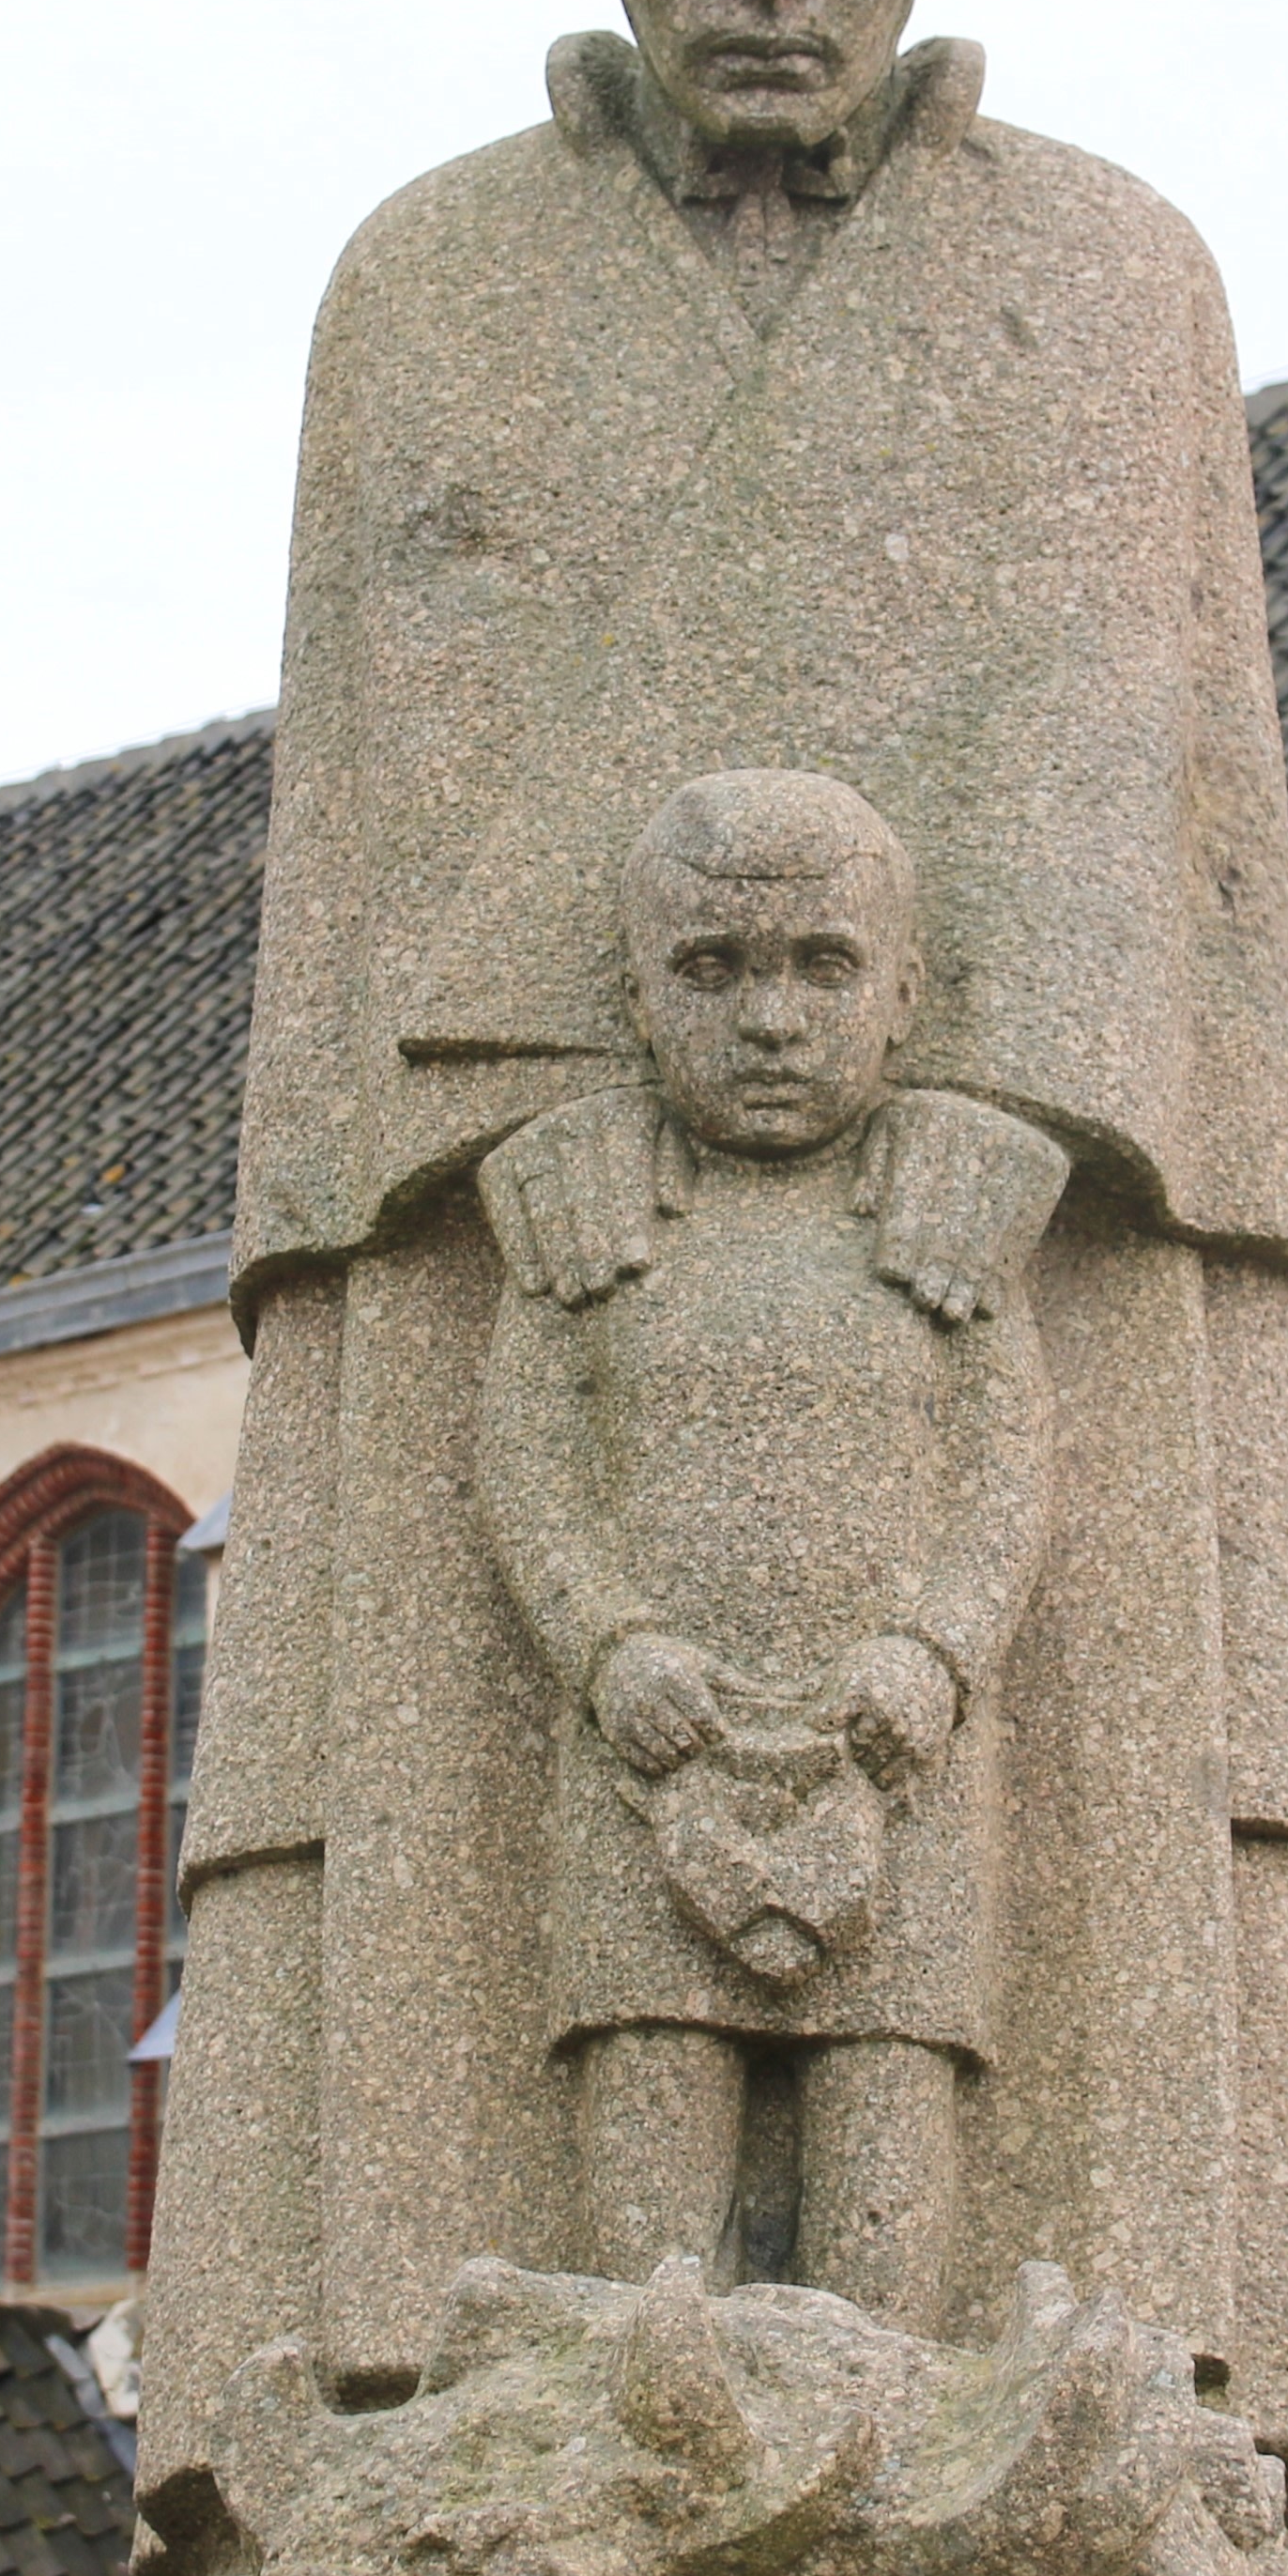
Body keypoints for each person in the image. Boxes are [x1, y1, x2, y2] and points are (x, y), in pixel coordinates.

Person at [140, 0, 1288, 2576]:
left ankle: (1110, 2399)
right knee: (520, 1894)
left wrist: (1023, 1093)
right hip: (551, 1206)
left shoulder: (1106, 269)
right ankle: (442, 2393)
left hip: (1010, 1201)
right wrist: (476, 1124)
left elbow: (1140, 726)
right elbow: (388, 761)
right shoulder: (426, 279)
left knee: (1032, 1866)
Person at [473, 772, 1064, 2331]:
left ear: (904, 990)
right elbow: (524, 1460)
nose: (773, 1022)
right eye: (714, 971)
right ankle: (647, 2429)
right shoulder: (594, 1225)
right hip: (650, 1750)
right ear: (639, 994)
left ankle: (878, 2435)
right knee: (650, 2090)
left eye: (823, 966)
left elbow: (1009, 1463)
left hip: (897, 1754)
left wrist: (930, 1650)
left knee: (891, 2087)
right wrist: (607, 1645)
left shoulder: (942, 1226)